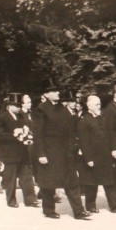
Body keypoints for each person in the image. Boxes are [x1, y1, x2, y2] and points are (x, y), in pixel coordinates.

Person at [33, 85, 91, 220]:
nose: (57, 93)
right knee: (49, 183)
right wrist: (41, 153)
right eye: (53, 91)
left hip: (65, 151)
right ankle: (48, 210)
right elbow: (38, 134)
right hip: (50, 151)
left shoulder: (62, 108)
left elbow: (71, 127)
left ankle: (79, 211)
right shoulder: (41, 110)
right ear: (46, 94)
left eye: (58, 91)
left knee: (72, 181)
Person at [78, 95, 116, 213]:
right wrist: (88, 158)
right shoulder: (84, 120)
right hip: (93, 156)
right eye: (96, 104)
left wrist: (113, 149)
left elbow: (110, 135)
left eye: (99, 104)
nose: (99, 107)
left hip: (105, 156)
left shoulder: (102, 118)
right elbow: (84, 141)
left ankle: (115, 205)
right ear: (89, 106)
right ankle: (90, 205)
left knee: (109, 181)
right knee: (91, 183)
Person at [0, 93, 39, 208]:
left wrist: (26, 134)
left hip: (23, 151)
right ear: (9, 106)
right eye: (16, 105)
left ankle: (30, 199)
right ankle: (11, 200)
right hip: (9, 153)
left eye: (19, 105)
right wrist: (14, 134)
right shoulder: (2, 118)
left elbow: (27, 128)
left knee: (27, 176)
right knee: (11, 178)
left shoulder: (21, 116)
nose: (19, 107)